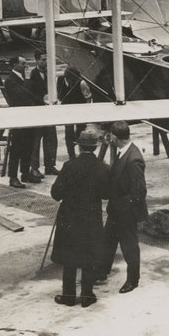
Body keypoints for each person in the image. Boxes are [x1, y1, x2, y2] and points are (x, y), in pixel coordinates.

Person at [50, 128, 110, 307]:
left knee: (69, 257)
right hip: (91, 218)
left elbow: (56, 193)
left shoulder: (69, 166)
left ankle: (68, 296)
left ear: (79, 147)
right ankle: (87, 295)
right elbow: (106, 194)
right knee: (89, 256)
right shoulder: (102, 167)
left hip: (69, 217)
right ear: (95, 148)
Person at [100, 121, 148, 294]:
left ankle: (133, 280)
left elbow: (139, 192)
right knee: (108, 240)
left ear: (114, 136)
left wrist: (123, 207)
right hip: (117, 208)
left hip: (127, 212)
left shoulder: (133, 159)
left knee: (129, 246)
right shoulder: (123, 152)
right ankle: (101, 271)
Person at [2, 56, 37, 188]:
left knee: (29, 145)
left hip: (29, 116)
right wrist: (27, 80)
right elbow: (22, 95)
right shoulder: (10, 81)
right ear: (15, 65)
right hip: (18, 117)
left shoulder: (21, 79)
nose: (26, 66)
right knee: (16, 148)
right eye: (23, 64)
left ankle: (25, 172)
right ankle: (13, 176)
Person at [28, 51, 59, 177]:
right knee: (35, 142)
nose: (45, 62)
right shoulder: (33, 75)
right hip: (38, 112)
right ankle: (34, 168)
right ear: (37, 60)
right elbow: (30, 93)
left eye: (47, 59)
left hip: (49, 112)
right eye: (43, 60)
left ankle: (50, 165)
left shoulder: (49, 73)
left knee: (51, 140)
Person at [57, 66, 92, 162]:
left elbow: (88, 97)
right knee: (68, 133)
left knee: (81, 133)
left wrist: (86, 112)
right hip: (67, 111)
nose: (74, 82)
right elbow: (59, 96)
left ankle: (82, 155)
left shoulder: (82, 83)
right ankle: (71, 156)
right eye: (72, 80)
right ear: (68, 78)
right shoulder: (60, 80)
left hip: (80, 111)